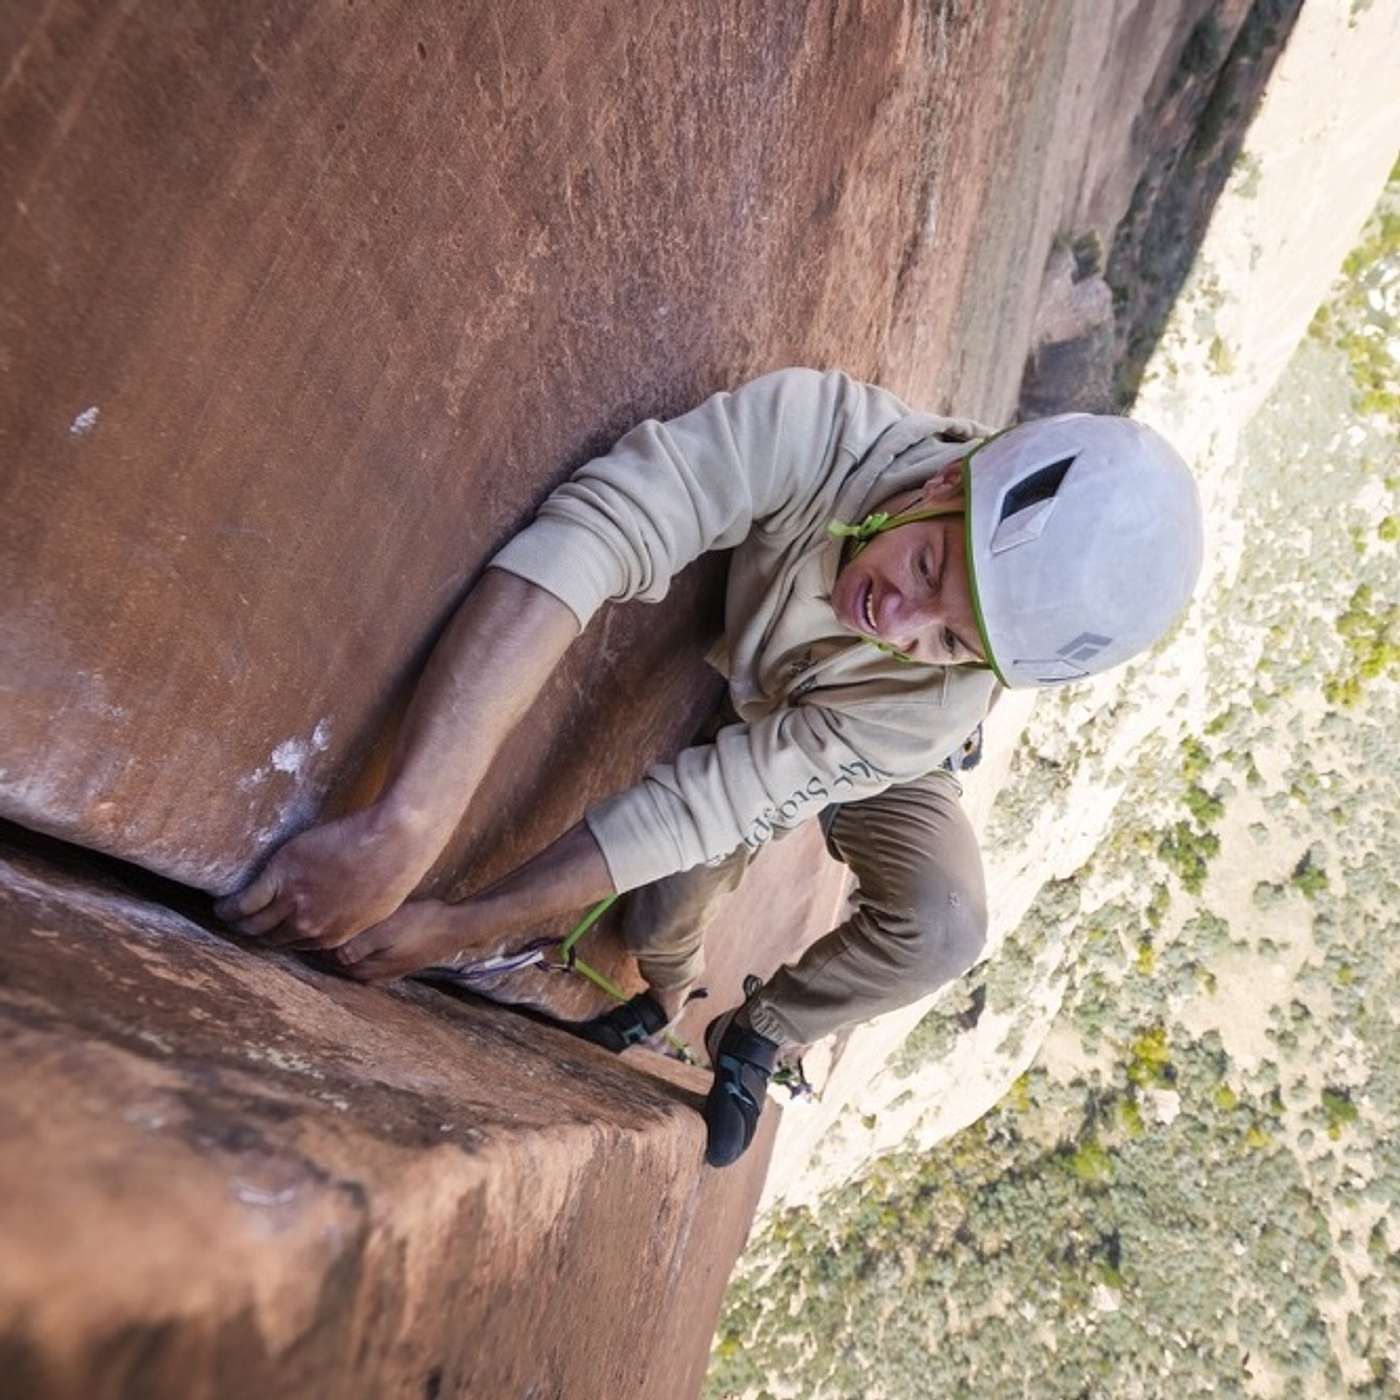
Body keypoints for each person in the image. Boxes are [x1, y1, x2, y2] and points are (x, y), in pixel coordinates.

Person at [214, 368, 1204, 1168]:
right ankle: (667, 990)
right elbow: (604, 527)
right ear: (949, 480)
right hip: (801, 707)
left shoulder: (932, 692)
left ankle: (757, 1029)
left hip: (881, 749)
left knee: (944, 925)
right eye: (925, 572)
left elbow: (715, 800)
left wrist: (457, 927)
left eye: (952, 641)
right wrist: (409, 820)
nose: (900, 624)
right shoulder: (820, 431)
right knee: (660, 924)